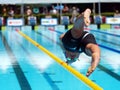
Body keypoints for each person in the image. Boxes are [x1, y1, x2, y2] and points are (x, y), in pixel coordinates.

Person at [59, 8, 100, 77]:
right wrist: (93, 64)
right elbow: (95, 51)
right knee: (91, 52)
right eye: (74, 59)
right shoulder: (81, 49)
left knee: (75, 34)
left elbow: (61, 37)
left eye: (69, 58)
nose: (72, 57)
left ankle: (83, 15)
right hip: (83, 40)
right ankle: (83, 15)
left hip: (69, 41)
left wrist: (63, 38)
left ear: (65, 54)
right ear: (78, 57)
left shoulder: (64, 46)